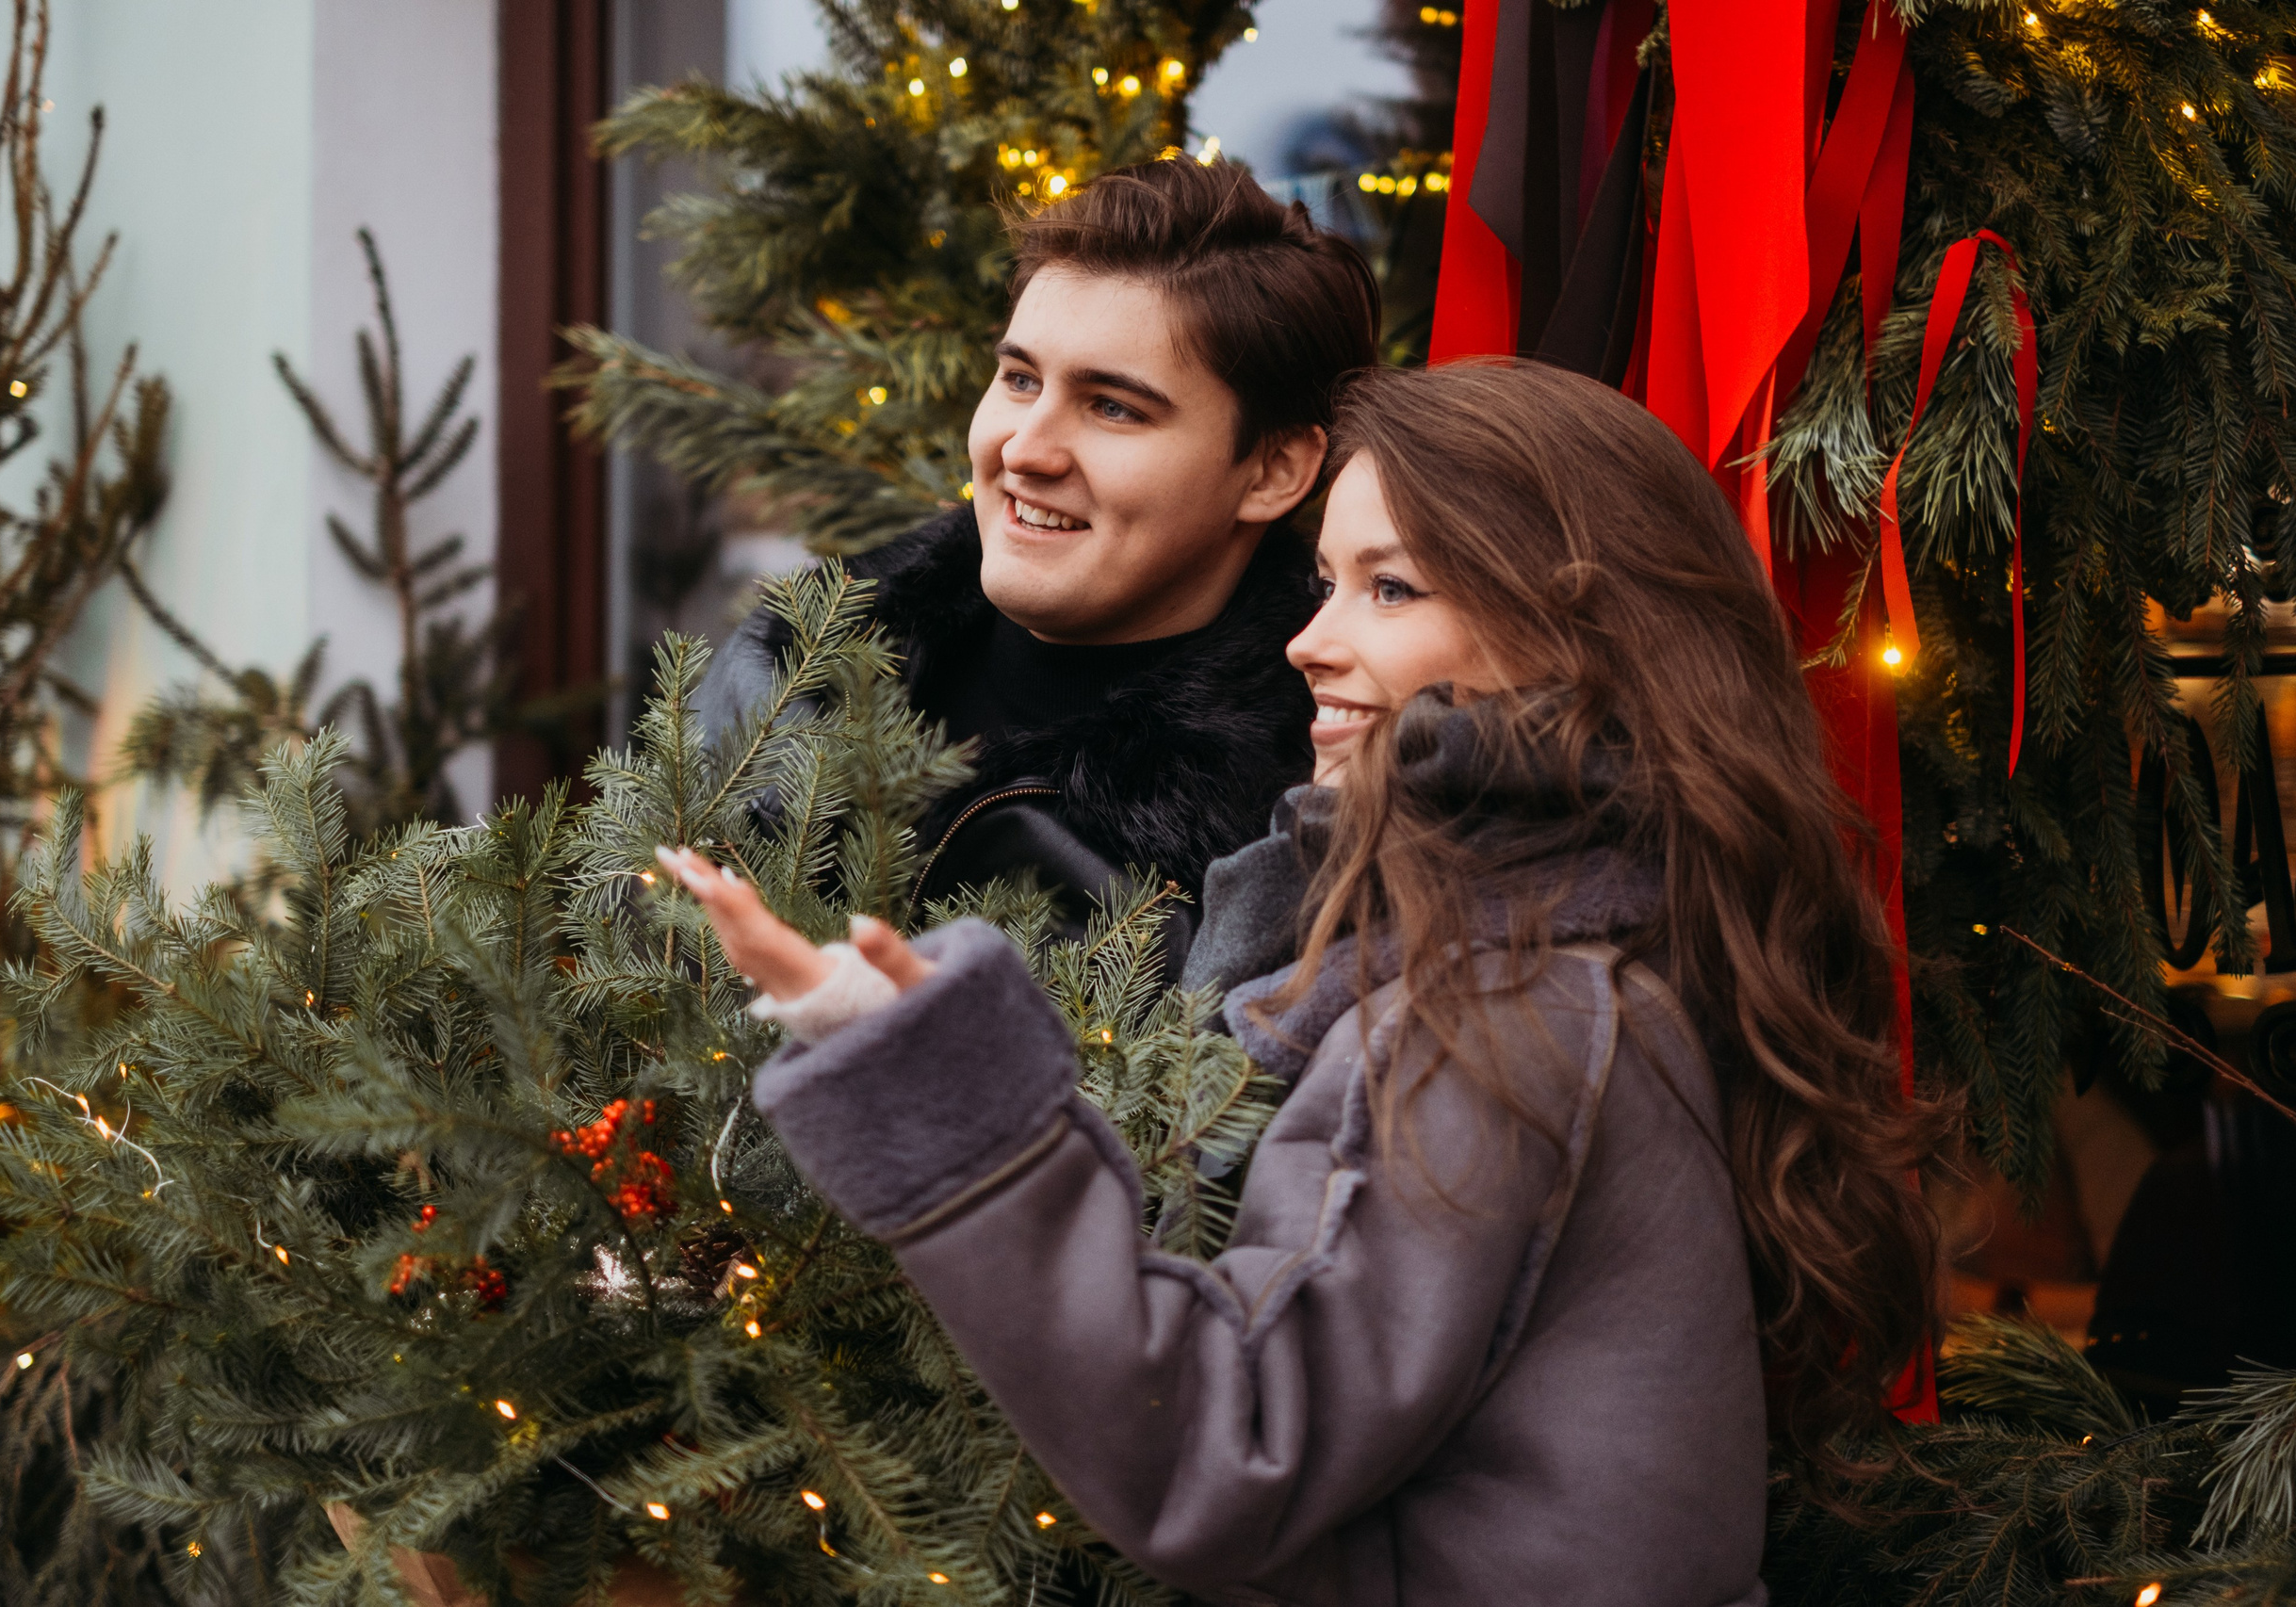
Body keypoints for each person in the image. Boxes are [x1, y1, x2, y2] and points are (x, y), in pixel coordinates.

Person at [662, 360, 1943, 1605]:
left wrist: (941, 1097)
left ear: (1575, 637)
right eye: (1328, 581)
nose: (1312, 642)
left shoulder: (1511, 1016)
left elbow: (1226, 1450)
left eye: (1391, 589)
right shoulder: (1541, 957)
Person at [697, 157, 1378, 949]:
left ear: (1273, 471)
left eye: (1113, 407)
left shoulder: (1306, 823)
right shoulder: (790, 665)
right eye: (1020, 379)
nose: (1025, 450)